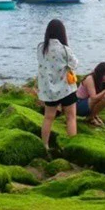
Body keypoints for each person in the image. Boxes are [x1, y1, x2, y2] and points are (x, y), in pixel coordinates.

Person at [37, 19, 78, 149]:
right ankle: (71, 146)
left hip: (49, 90)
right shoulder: (65, 50)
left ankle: (45, 145)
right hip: (66, 89)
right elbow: (75, 64)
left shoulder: (40, 48)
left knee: (48, 118)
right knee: (71, 117)